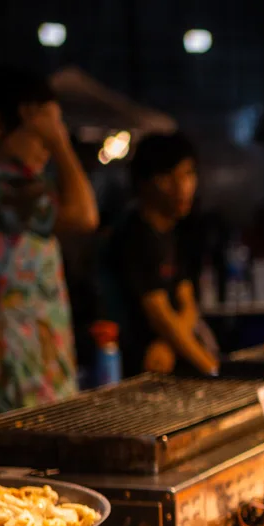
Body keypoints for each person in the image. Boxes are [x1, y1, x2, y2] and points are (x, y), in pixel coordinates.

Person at [0, 65, 98, 424]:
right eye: (41, 133)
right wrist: (62, 145)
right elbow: (84, 215)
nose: (48, 145)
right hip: (14, 386)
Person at [103, 132, 217, 376]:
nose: (183, 187)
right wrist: (213, 370)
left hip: (167, 359)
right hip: (131, 369)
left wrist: (169, 344)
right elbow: (160, 316)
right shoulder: (132, 235)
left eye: (188, 174)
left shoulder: (174, 233)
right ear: (144, 182)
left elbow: (188, 303)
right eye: (168, 177)